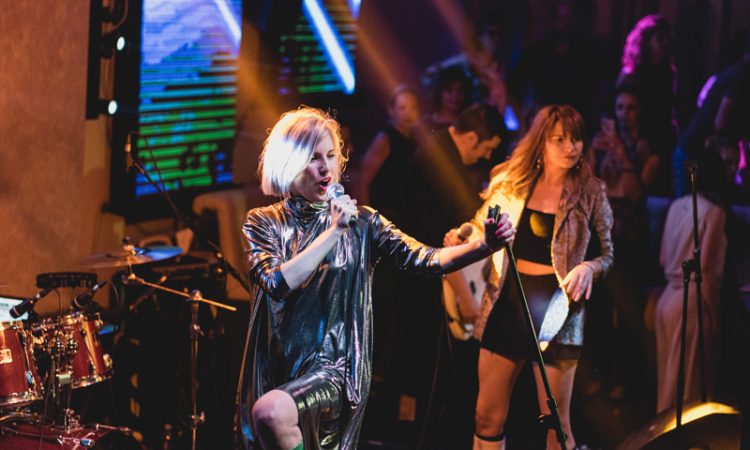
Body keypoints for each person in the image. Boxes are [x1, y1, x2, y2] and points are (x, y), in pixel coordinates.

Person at [234, 107, 515, 450]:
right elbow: (277, 283)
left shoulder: (363, 223)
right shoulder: (262, 222)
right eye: (313, 158)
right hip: (278, 364)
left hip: (333, 366)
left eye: (331, 156)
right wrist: (333, 233)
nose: (326, 168)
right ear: (289, 162)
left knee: (270, 412)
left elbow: (425, 258)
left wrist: (484, 246)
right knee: (273, 419)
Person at [445, 105, 614, 449]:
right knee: (486, 416)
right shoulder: (513, 181)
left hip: (558, 308)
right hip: (509, 302)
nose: (570, 147)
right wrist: (463, 235)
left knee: (556, 423)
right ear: (542, 142)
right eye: (559, 139)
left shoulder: (591, 191)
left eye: (576, 139)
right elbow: (481, 224)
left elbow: (608, 255)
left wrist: (589, 268)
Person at [655, 151, 729, 413]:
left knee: (668, 383)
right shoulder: (715, 213)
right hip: (691, 303)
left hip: (666, 300)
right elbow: (704, 269)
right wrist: (715, 316)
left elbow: (663, 258)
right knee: (688, 389)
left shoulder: (676, 206)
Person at [617, 14, 677, 158]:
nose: (665, 43)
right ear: (646, 41)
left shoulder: (667, 73)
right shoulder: (631, 75)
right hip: (633, 141)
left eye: (667, 38)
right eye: (659, 38)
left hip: (659, 140)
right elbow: (620, 110)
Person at [359, 84, 421, 218]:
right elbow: (364, 181)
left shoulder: (414, 138)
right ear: (391, 110)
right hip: (384, 212)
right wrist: (366, 217)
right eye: (402, 108)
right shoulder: (384, 138)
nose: (408, 113)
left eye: (413, 108)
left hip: (404, 210)